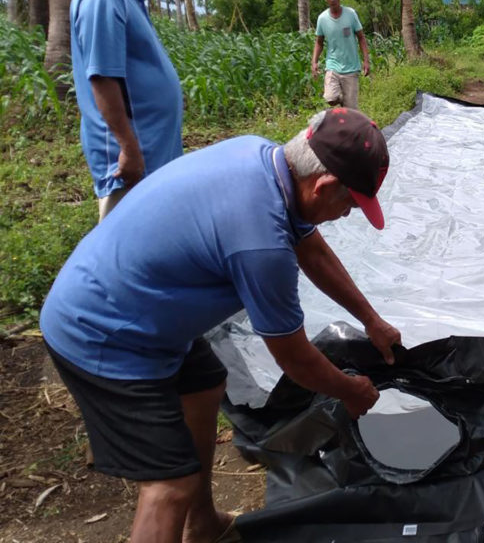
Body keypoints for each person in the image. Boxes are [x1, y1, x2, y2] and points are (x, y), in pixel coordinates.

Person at [39, 108, 400, 543]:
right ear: (323, 184)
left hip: (142, 306)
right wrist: (350, 390)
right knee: (169, 486)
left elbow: (314, 250)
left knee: (205, 384)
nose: (348, 216)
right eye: (350, 204)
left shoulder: (262, 157)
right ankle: (184, 510)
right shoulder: (261, 245)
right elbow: (294, 358)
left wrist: (371, 320)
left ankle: (203, 525)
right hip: (105, 333)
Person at [70, 0, 184, 219]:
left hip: (148, 154)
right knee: (131, 245)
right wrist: (129, 148)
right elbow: (102, 77)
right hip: (131, 161)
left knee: (155, 239)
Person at [312, 0, 371, 109]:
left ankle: (348, 112)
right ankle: (342, 99)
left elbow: (361, 38)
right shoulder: (322, 19)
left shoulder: (351, 14)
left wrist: (366, 61)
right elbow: (319, 42)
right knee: (330, 98)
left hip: (351, 67)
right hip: (332, 65)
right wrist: (314, 62)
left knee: (351, 110)